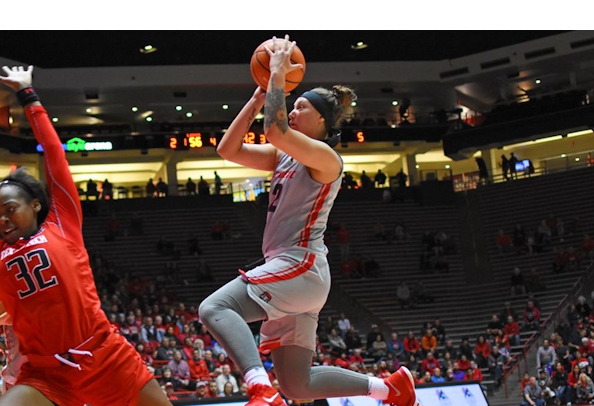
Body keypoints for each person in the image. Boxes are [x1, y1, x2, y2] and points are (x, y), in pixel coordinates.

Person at [198, 37, 416, 406]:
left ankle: (258, 387)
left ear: (321, 121)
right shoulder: (282, 155)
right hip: (292, 272)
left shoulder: (327, 158)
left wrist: (279, 77)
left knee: (215, 309)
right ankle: (390, 388)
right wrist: (256, 99)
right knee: (298, 387)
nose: (292, 111)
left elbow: (275, 130)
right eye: (292, 106)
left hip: (300, 265)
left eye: (300, 107)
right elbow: (228, 149)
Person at [0, 66, 170, 406]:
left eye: (9, 208)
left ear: (35, 205)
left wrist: (28, 96)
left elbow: (54, 154)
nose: (3, 219)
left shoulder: (62, 223)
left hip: (103, 355)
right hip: (45, 371)